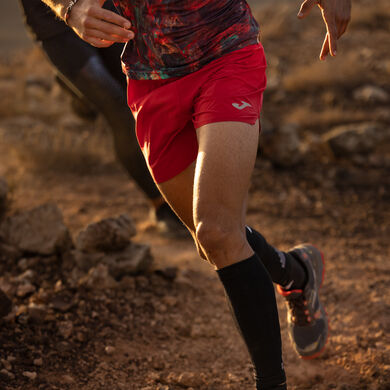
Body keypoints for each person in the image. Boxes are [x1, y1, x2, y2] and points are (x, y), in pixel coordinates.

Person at [39, 0, 351, 388]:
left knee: (217, 232)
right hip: (150, 79)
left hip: (226, 55)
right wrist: (68, 7)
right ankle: (296, 272)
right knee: (217, 242)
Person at [18, 0, 188, 238]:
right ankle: (160, 205)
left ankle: (81, 95)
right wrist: (68, 9)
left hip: (105, 10)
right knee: (116, 107)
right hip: (55, 27)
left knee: (137, 92)